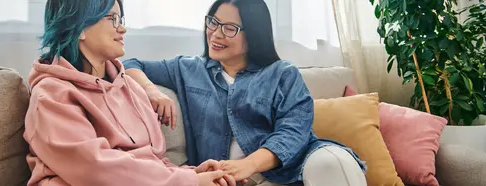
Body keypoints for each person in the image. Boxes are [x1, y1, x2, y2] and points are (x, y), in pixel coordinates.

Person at [123, 0, 367, 185]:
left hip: (292, 168)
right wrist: (151, 91)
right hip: (224, 176)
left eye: (229, 28)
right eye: (213, 22)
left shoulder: (282, 74)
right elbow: (130, 64)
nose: (216, 34)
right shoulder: (188, 68)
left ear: (254, 35)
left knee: (331, 162)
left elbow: (293, 133)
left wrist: (246, 166)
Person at [23, 0, 240, 185]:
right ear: (79, 27)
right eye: (112, 19)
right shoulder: (51, 95)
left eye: (121, 20)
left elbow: (152, 161)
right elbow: (95, 168)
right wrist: (189, 182)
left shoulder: (130, 87)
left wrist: (192, 173)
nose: (122, 29)